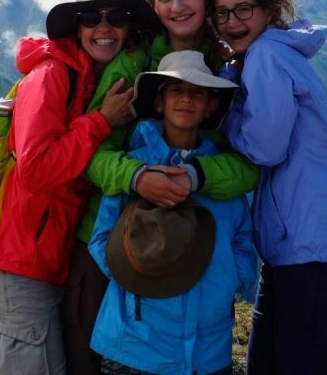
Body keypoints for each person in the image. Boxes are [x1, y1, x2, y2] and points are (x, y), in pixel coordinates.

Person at [62, 0, 258, 375]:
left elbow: (248, 164)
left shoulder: (227, 69)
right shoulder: (131, 65)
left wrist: (194, 177)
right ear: (152, 5)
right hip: (115, 230)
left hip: (203, 241)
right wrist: (136, 177)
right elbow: (91, 153)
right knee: (95, 353)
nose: (177, 7)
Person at [0, 0, 161, 375]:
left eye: (118, 18)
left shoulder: (93, 79)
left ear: (130, 30)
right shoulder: (52, 76)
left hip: (53, 254)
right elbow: (37, 170)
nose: (104, 28)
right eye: (92, 18)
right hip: (23, 258)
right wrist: (100, 122)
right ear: (77, 28)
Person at [212, 0, 327, 375]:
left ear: (267, 9)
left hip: (311, 243)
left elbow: (265, 147)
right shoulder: (272, 53)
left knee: (295, 362)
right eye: (223, 13)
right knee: (272, 361)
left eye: (243, 9)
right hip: (303, 240)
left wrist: (224, 112)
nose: (232, 22)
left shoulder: (266, 55)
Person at [88, 50, 257, 375]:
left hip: (209, 351)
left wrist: (228, 281)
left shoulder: (219, 173)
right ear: (159, 102)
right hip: (136, 346)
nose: (186, 100)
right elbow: (102, 238)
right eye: (176, 91)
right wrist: (134, 282)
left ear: (209, 106)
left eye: (197, 92)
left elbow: (243, 237)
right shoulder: (135, 165)